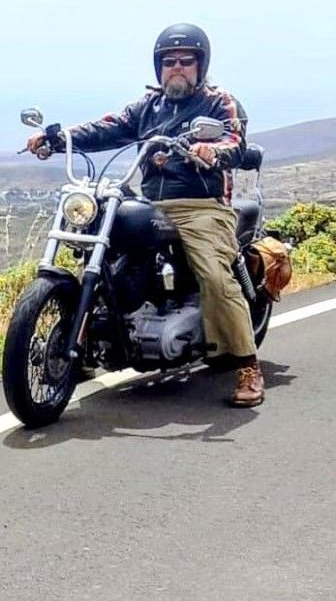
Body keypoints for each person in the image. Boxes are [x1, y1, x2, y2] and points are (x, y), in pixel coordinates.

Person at [26, 23, 263, 407]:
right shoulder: (148, 106)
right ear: (159, 67)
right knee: (103, 246)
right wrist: (59, 138)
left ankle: (247, 366)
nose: (177, 68)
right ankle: (87, 340)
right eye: (169, 62)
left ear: (201, 65)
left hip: (200, 205)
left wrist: (212, 151)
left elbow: (233, 141)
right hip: (150, 202)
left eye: (185, 61)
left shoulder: (219, 103)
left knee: (215, 276)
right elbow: (108, 128)